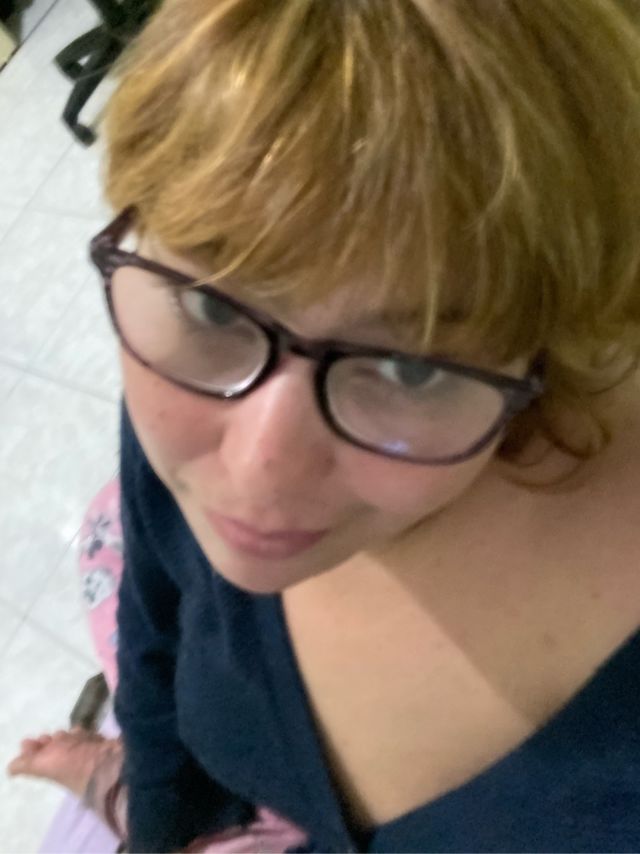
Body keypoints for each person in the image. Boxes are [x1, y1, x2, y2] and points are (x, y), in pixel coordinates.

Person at [7, 0, 640, 850]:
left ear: (547, 357)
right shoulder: (198, 359)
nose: (257, 473)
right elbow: (153, 634)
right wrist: (158, 823)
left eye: (410, 365)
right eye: (213, 305)